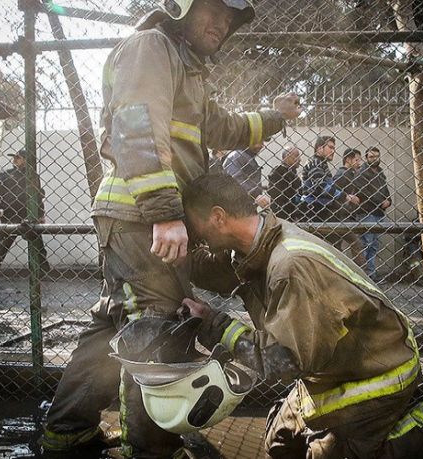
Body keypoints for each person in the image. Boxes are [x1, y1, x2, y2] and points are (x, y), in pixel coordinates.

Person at [41, 0, 301, 455]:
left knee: (114, 325)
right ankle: (151, 448)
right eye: (214, 10)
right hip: (142, 218)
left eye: (230, 17)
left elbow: (224, 127)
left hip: (138, 220)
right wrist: (164, 213)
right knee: (155, 330)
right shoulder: (150, 47)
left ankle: (67, 431)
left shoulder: (187, 68)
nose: (222, 23)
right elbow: (134, 125)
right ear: (181, 6)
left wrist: (276, 117)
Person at [180, 174, 423, 459]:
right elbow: (216, 271)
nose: (194, 236)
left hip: (376, 373)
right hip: (328, 369)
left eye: (194, 227)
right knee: (279, 443)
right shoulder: (254, 245)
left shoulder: (291, 265)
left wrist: (214, 325)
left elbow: (282, 362)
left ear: (218, 217)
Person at [0, 148, 50, 277]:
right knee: (1, 245)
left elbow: (37, 195)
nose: (14, 160)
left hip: (28, 214)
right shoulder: (5, 174)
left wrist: (41, 213)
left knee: (37, 244)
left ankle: (43, 272)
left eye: (18, 157)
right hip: (9, 213)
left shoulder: (32, 176)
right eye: (14, 157)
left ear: (26, 160)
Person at [300, 135, 359, 222]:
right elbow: (320, 187)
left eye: (334, 148)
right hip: (313, 210)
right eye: (330, 147)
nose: (333, 151)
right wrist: (345, 196)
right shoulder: (315, 162)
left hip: (321, 210)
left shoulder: (322, 163)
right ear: (320, 148)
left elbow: (330, 186)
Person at [354, 146, 391, 279]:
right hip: (366, 212)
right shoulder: (362, 172)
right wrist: (381, 202)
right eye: (371, 157)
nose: (374, 159)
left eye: (376, 156)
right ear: (366, 158)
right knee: (366, 244)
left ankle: (370, 274)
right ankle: (362, 276)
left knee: (374, 245)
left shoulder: (380, 173)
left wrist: (389, 201)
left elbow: (386, 191)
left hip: (379, 213)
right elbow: (364, 193)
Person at [332, 148, 366, 269]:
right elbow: (334, 195)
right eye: (356, 160)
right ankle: (361, 275)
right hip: (341, 217)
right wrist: (348, 199)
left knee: (337, 247)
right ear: (348, 160)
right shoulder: (342, 174)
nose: (359, 163)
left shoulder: (349, 174)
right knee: (356, 243)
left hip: (343, 217)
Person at [223, 141, 271, 209]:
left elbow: (247, 180)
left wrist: (262, 188)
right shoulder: (237, 156)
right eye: (259, 142)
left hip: (246, 205)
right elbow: (235, 180)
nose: (262, 145)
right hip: (236, 206)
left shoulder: (245, 156)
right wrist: (255, 195)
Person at [267, 144, 301, 220]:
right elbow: (275, 193)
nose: (299, 159)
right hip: (282, 214)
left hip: (293, 214)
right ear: (287, 156)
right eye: (296, 156)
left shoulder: (294, 175)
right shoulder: (279, 171)